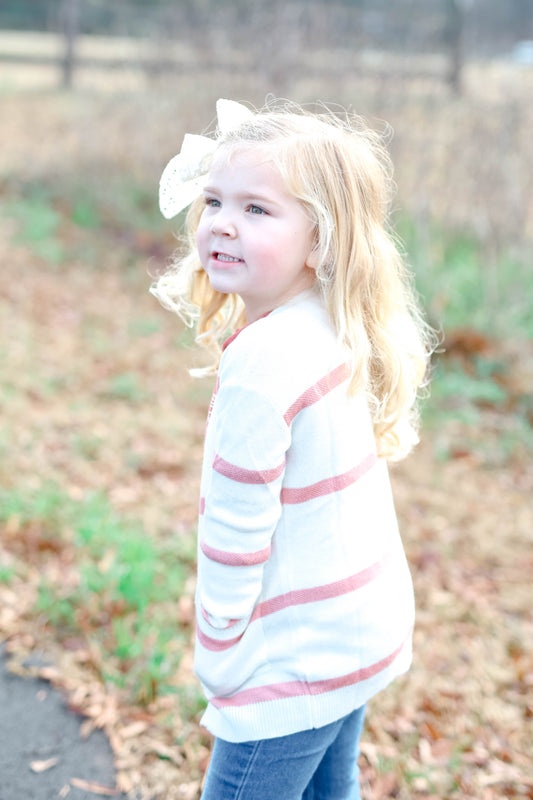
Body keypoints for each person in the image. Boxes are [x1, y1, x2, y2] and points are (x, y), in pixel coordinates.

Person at [151, 99, 434, 800]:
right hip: (356, 632)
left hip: (292, 662)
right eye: (214, 200)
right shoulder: (329, 323)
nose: (220, 221)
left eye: (256, 209)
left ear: (321, 241)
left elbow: (236, 530)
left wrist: (220, 658)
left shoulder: (263, 363)